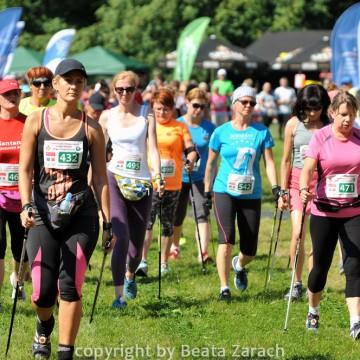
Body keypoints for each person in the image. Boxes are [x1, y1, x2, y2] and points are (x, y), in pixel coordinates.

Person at [19, 59, 114, 360]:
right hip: (43, 217)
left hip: (81, 216)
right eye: (68, 79)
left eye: (79, 81)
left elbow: (100, 177)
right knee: (41, 294)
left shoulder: (92, 128)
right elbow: (24, 171)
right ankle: (44, 323)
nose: (74, 85)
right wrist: (25, 205)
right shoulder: (36, 121)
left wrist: (107, 219)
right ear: (55, 84)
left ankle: (65, 352)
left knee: (71, 286)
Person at [204, 85, 279, 300]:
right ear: (234, 104)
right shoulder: (221, 132)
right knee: (226, 240)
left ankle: (239, 264)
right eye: (244, 102)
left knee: (250, 249)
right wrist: (208, 191)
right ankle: (224, 287)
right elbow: (210, 164)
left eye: (252, 103)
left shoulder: (261, 131)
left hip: (251, 194)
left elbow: (270, 163)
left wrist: (275, 187)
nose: (248, 106)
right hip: (223, 191)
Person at [99, 71, 163, 308]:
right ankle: (118, 297)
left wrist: (157, 175)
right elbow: (98, 151)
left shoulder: (147, 115)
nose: (124, 93)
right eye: (119, 89)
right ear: (114, 90)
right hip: (115, 177)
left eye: (129, 89)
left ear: (137, 90)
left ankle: (130, 274)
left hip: (142, 182)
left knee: (136, 249)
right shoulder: (106, 117)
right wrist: (95, 178)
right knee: (121, 237)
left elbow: (153, 149)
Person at [300, 91, 360, 339]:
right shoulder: (321, 138)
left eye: (353, 115)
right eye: (344, 114)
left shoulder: (359, 136)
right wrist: (304, 188)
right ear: (333, 113)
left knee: (356, 264)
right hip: (324, 211)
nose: (348, 120)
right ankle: (313, 310)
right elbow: (308, 168)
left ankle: (356, 321)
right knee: (320, 268)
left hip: (354, 210)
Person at [278, 84, 330, 300]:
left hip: (321, 183)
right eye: (308, 108)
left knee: (318, 238)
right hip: (297, 182)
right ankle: (296, 282)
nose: (312, 113)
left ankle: (313, 283)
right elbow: (286, 159)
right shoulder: (293, 124)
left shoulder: (329, 126)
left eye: (316, 108)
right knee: (298, 233)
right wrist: (282, 191)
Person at [138, 88, 198, 275]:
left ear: (172, 109)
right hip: (151, 182)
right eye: (157, 109)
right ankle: (143, 261)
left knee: (167, 224)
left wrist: (191, 159)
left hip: (173, 184)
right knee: (147, 222)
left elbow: (191, 148)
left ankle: (163, 263)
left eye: (165, 109)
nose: (161, 113)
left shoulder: (179, 127)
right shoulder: (146, 125)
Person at [171, 88, 215, 263]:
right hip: (178, 177)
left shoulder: (210, 128)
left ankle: (203, 253)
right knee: (177, 214)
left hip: (200, 177)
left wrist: (211, 182)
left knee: (202, 213)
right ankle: (174, 247)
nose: (199, 110)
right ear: (187, 103)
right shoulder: (178, 124)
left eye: (203, 107)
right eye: (195, 105)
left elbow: (214, 157)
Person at [0, 79, 27, 310]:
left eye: (16, 93)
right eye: (7, 94)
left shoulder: (28, 124)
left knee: (20, 246)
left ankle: (18, 282)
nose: (12, 97)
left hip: (23, 195)